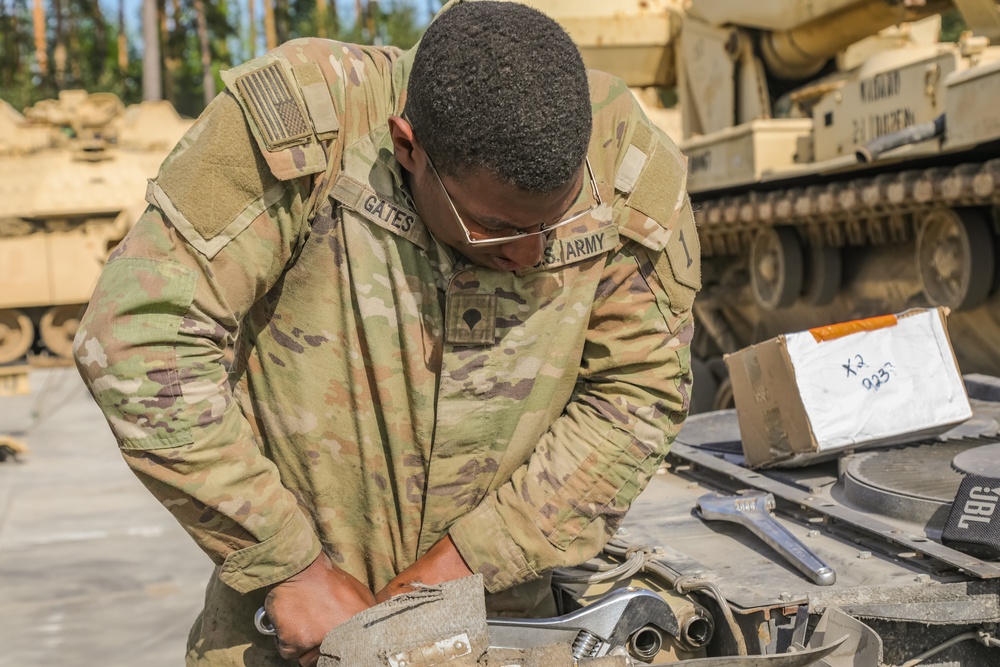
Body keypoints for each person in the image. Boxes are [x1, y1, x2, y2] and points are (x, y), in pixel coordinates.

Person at [73, 1, 700, 665]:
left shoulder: (626, 160)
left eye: (554, 222)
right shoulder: (305, 121)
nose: (531, 254)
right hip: (294, 635)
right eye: (496, 228)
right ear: (408, 147)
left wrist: (468, 561)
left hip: (510, 631)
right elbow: (139, 337)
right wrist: (288, 563)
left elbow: (637, 388)